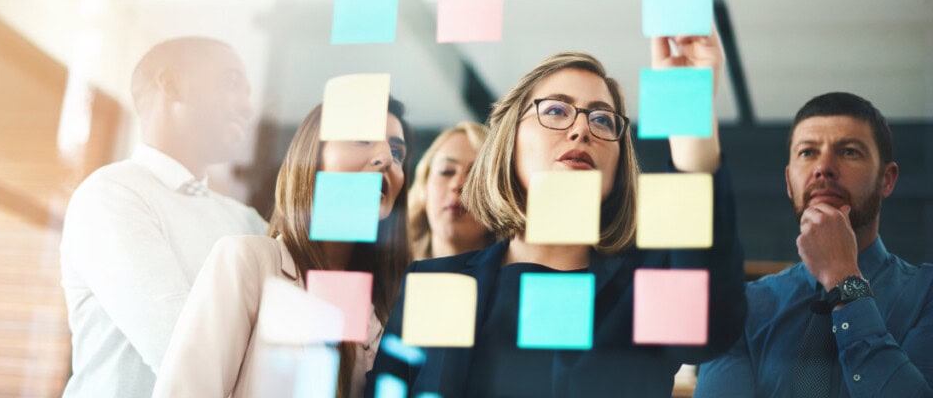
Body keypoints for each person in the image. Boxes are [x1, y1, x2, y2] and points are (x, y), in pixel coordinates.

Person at [368, 33, 747, 397]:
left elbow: (710, 325)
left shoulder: (643, 285)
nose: (582, 128)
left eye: (602, 119)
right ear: (509, 141)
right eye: (555, 110)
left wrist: (689, 114)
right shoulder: (436, 283)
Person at [152, 99, 413, 398]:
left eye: (397, 152)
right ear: (312, 157)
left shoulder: (387, 303)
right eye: (362, 140)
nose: (385, 158)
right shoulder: (248, 262)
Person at [59, 37, 268, 397]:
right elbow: (182, 351)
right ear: (171, 85)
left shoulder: (246, 222)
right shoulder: (111, 195)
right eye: (233, 83)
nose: (249, 108)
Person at [695, 92, 933, 397]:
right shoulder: (744, 308)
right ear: (788, 182)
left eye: (848, 152)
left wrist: (844, 279)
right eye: (807, 152)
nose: (823, 167)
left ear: (886, 179)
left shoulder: (926, 294)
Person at [407, 121, 492, 260]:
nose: (457, 184)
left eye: (476, 175)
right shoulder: (389, 274)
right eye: (446, 171)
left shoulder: (517, 277)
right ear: (424, 185)